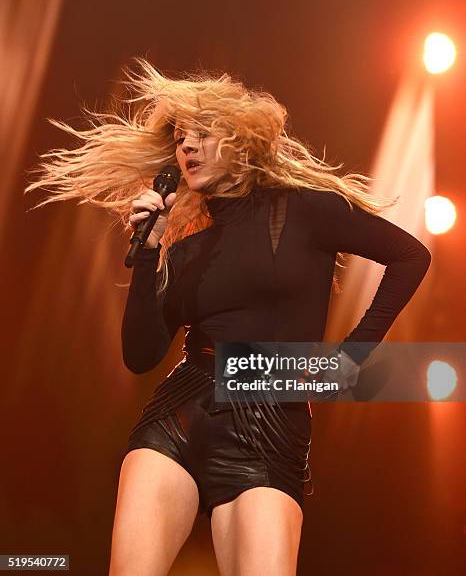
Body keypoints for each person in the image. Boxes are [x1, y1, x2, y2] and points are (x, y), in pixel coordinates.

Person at [25, 58, 432, 575]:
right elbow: (140, 354)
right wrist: (149, 250)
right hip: (179, 411)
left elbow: (411, 256)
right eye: (179, 138)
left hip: (268, 416)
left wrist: (351, 356)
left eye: (201, 133)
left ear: (240, 139)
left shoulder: (305, 210)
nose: (186, 146)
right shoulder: (191, 247)